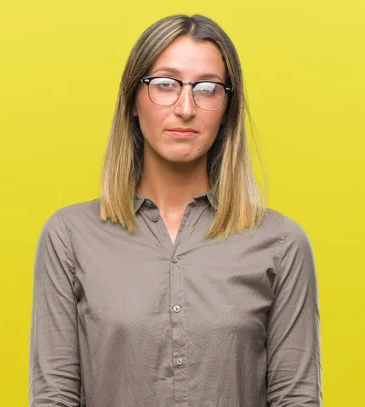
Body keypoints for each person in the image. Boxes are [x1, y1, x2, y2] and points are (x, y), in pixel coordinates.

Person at [28, 14, 322, 407]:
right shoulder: (69, 238)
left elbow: (296, 398)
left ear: (227, 107)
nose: (186, 107)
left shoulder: (282, 244)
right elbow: (54, 397)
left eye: (207, 88)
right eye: (165, 84)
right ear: (133, 100)